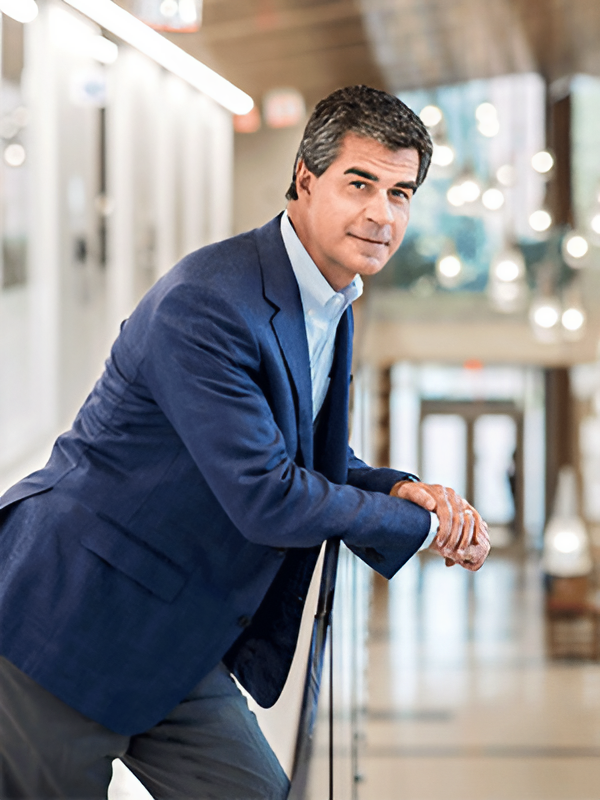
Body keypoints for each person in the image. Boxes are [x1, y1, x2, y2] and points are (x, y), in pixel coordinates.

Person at [0, 85, 490, 798]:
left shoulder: (326, 298)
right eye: (360, 184)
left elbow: (292, 452)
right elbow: (266, 495)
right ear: (305, 179)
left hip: (176, 633)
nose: (382, 214)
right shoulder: (211, 302)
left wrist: (397, 490)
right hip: (67, 619)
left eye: (400, 192)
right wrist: (417, 527)